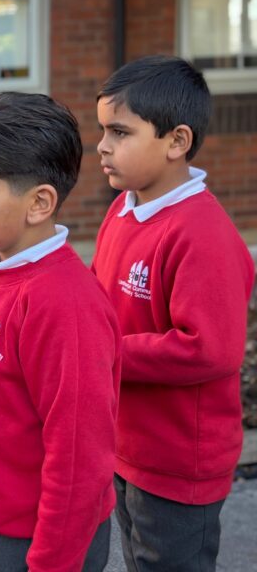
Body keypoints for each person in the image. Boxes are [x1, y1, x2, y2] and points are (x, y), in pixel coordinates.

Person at [0, 92, 121, 572]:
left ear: (39, 203)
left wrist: (53, 561)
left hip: (33, 539)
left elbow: (80, 456)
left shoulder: (66, 306)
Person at [91, 55, 254, 571]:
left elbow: (208, 350)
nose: (102, 146)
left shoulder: (202, 235)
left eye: (120, 132)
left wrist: (103, 353)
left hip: (179, 461)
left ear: (176, 141)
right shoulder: (122, 209)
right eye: (102, 130)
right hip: (124, 445)